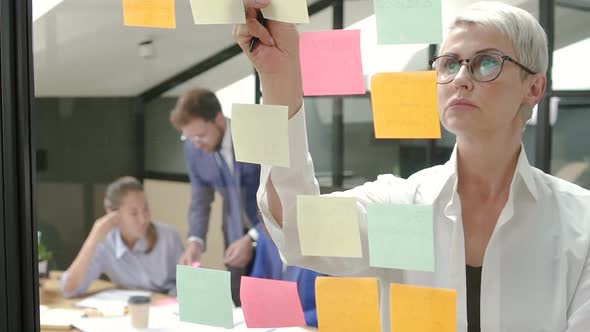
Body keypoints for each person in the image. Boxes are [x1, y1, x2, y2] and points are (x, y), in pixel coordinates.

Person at [234, 1, 590, 331]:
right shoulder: (404, 208)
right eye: (449, 63)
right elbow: (299, 230)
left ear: (534, 87)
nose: (461, 79)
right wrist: (279, 77)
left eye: (486, 62)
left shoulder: (579, 223)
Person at [170, 88, 264, 305]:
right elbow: (200, 200)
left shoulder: (255, 136)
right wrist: (195, 241)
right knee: (237, 298)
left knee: (265, 302)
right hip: (232, 228)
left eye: (200, 135)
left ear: (219, 120)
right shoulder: (194, 149)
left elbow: (281, 196)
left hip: (269, 230)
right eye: (189, 137)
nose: (196, 143)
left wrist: (253, 237)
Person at [61, 176, 184, 297]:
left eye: (145, 209)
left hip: (168, 308)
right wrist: (94, 237)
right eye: (134, 213)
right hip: (129, 310)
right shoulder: (105, 243)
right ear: (113, 214)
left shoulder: (169, 236)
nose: (143, 220)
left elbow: (189, 286)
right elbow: (69, 290)